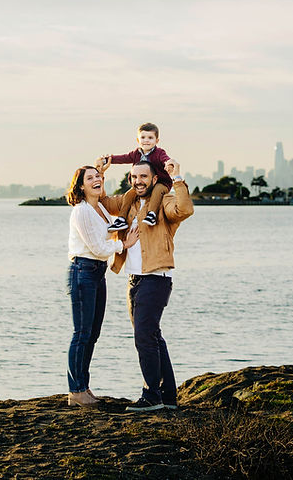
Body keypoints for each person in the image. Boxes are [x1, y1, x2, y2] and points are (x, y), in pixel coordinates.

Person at [98, 156, 193, 412]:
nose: (138, 181)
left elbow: (184, 210)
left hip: (156, 278)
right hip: (134, 279)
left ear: (153, 179)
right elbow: (104, 202)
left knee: (144, 336)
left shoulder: (164, 201)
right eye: (134, 177)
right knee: (152, 336)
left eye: (143, 177)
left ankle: (151, 395)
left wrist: (178, 178)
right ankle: (168, 396)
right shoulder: (128, 202)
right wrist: (101, 173)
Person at [65, 164, 139, 408]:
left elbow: (109, 232)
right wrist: (124, 245)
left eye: (98, 176)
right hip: (83, 271)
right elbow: (98, 247)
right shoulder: (82, 211)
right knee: (82, 334)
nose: (96, 180)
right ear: (81, 185)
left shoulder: (101, 210)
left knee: (92, 334)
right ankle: (75, 391)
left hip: (97, 272)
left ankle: (83, 387)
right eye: (90, 178)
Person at [103, 122, 173, 231]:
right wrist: (109, 159)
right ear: (138, 140)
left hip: (161, 183)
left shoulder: (159, 153)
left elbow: (165, 159)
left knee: (158, 190)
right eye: (143, 137)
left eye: (150, 138)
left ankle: (151, 214)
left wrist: (169, 163)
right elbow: (124, 158)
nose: (146, 140)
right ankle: (121, 219)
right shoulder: (136, 153)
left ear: (156, 141)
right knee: (129, 194)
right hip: (143, 185)